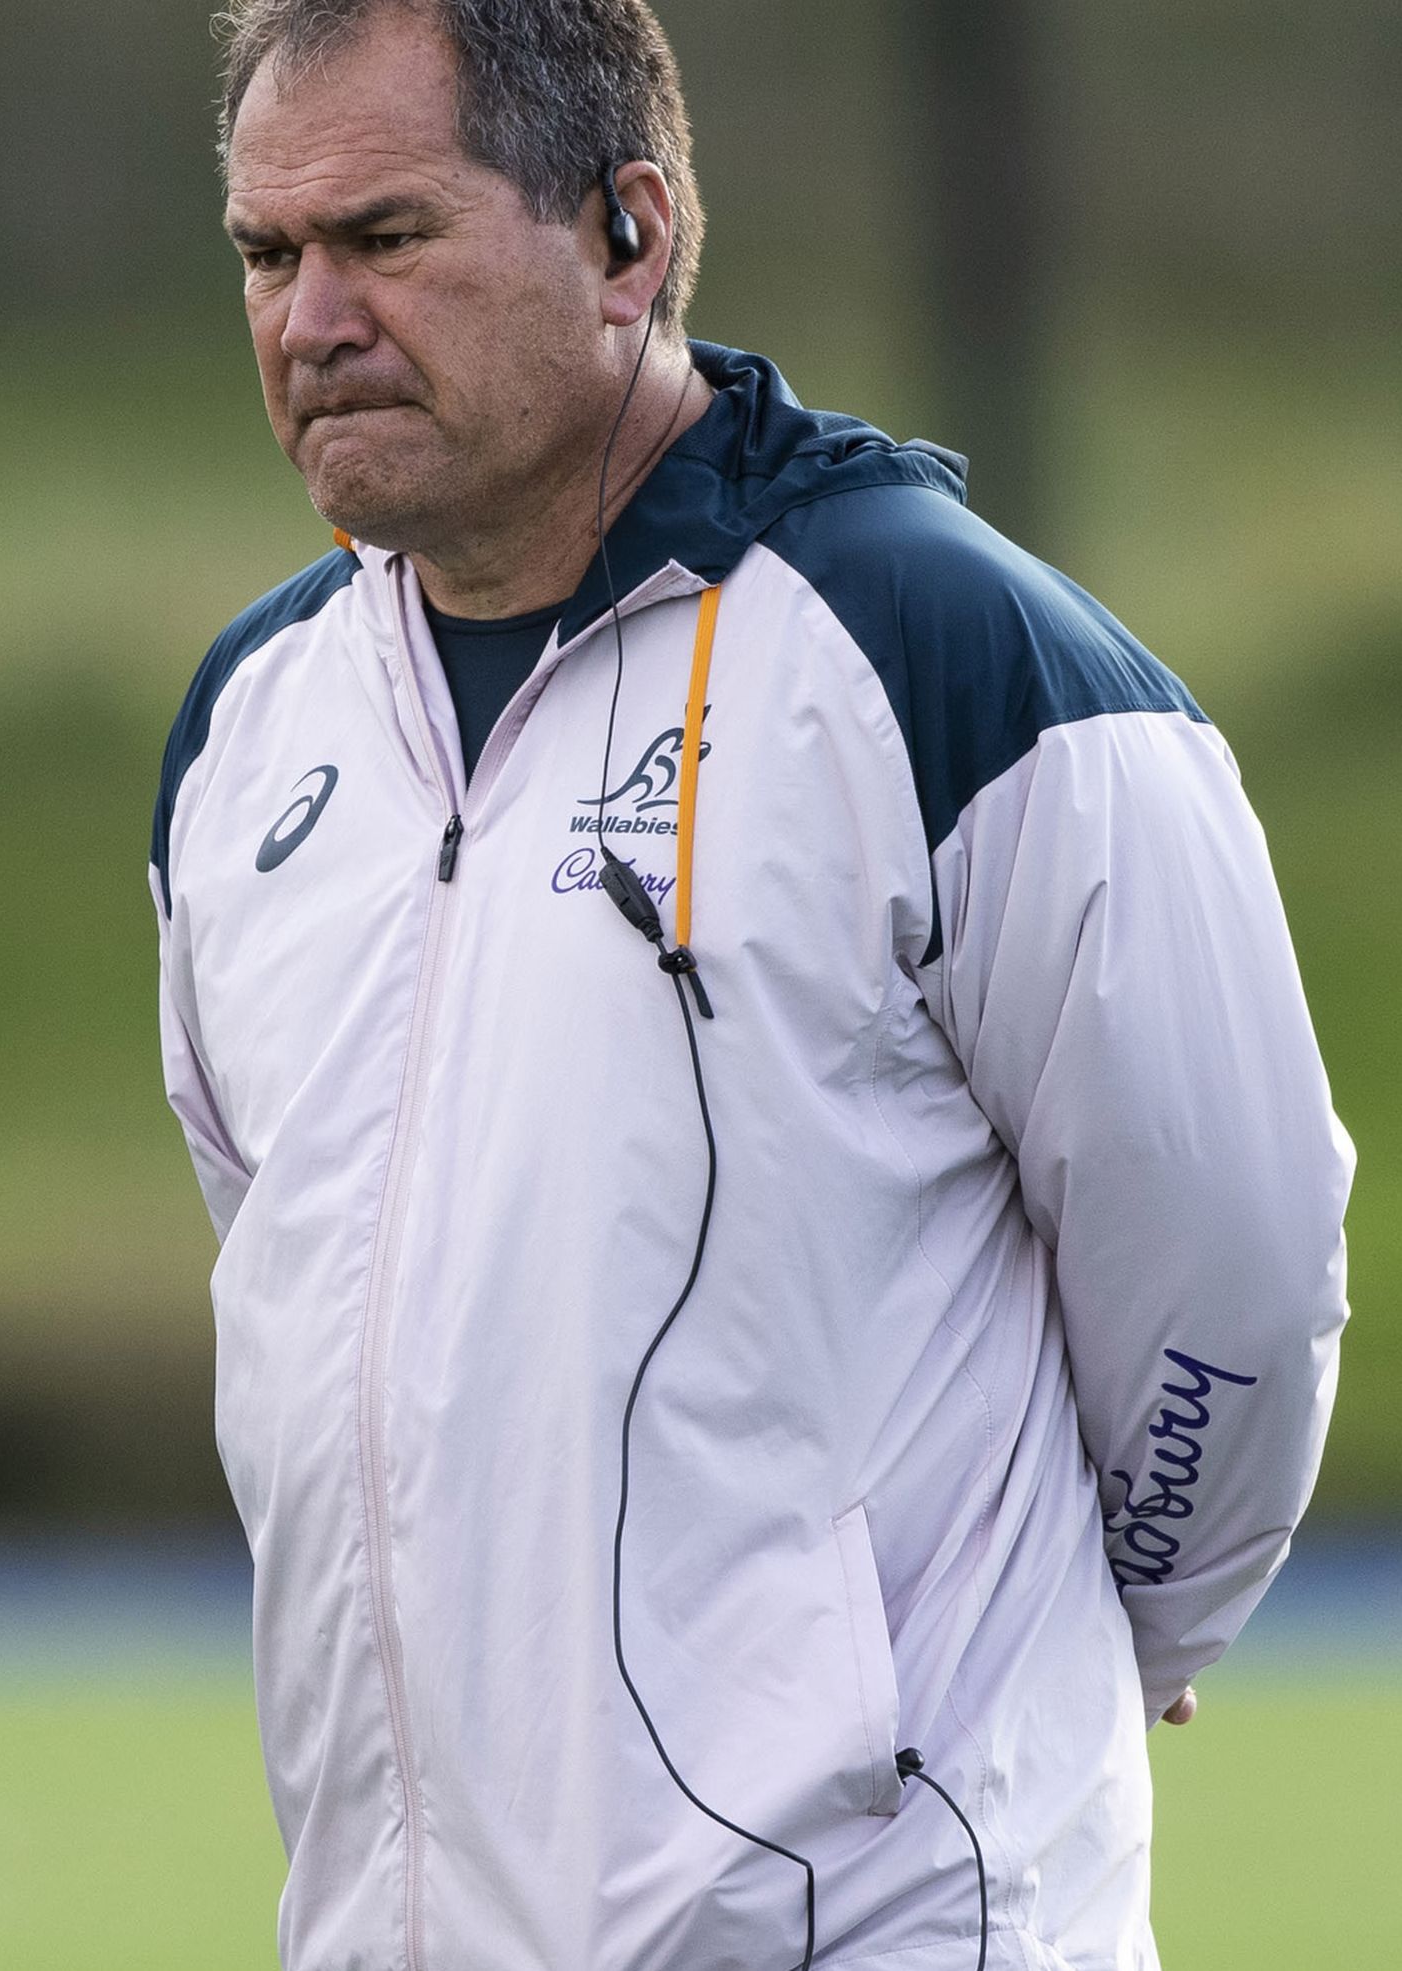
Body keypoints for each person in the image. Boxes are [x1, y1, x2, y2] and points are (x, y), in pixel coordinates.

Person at [151, 4, 1349, 1965]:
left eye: (382, 238)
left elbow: (1232, 1253)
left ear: (627, 237)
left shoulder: (953, 665)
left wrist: (1111, 1609)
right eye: (264, 256)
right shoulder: (238, 734)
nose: (308, 321)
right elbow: (320, 1286)